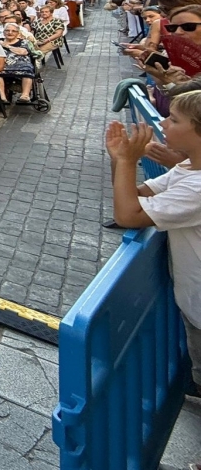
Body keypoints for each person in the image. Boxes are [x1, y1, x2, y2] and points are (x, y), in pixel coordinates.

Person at [106, 93, 201, 393]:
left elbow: (128, 214)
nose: (162, 123)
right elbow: (135, 195)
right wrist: (120, 159)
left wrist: (128, 160)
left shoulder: (197, 187)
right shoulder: (186, 168)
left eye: (173, 119)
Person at [0, 23, 37, 104]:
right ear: (3, 32)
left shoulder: (24, 42)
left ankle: (25, 96)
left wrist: (7, 46)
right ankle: (2, 97)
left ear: (18, 33)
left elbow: (23, 52)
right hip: (4, 65)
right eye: (7, 30)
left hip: (22, 65)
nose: (10, 32)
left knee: (27, 70)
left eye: (13, 31)